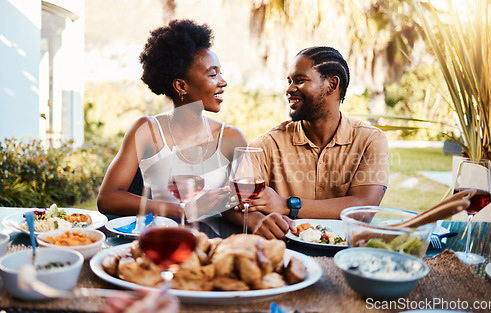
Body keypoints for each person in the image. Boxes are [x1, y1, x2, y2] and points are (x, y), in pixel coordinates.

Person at [224, 46, 389, 239]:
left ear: (332, 85)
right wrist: (256, 220)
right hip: (287, 251)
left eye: (300, 81)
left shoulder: (370, 139)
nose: (289, 89)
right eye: (289, 81)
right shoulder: (267, 144)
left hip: (344, 251)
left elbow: (363, 209)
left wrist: (286, 205)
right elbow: (229, 201)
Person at [97, 19, 246, 219]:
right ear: (181, 86)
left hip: (215, 245)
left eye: (221, 73)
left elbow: (242, 206)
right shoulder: (146, 130)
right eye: (213, 75)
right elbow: (107, 199)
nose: (223, 82)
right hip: (163, 242)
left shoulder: (231, 138)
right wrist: (183, 211)